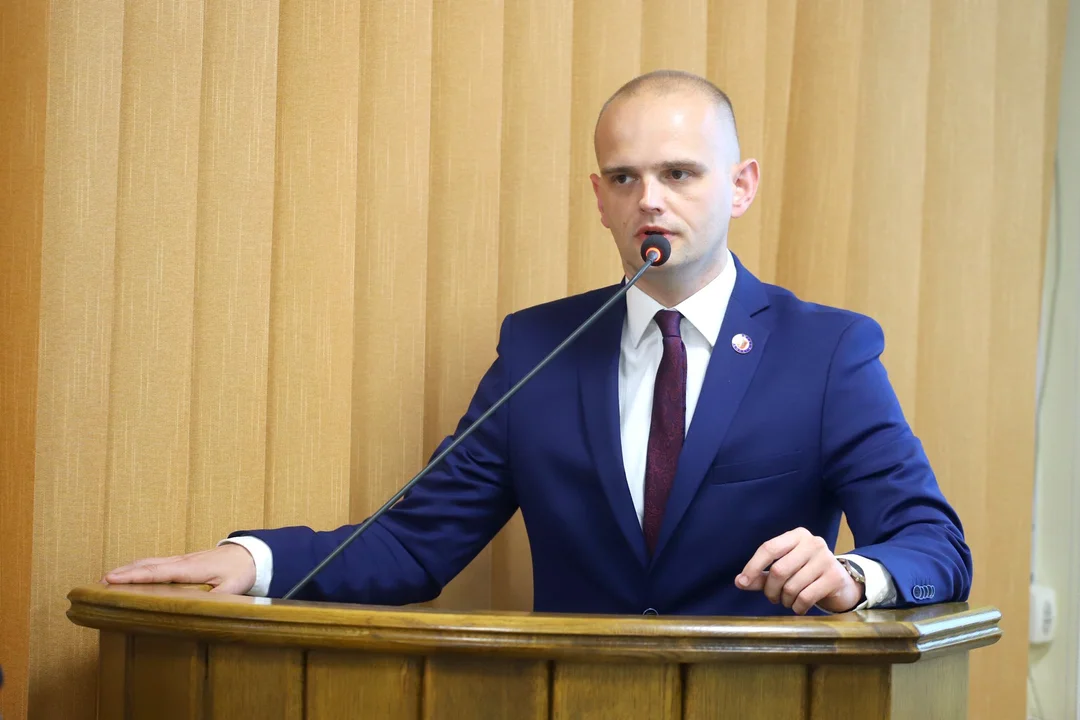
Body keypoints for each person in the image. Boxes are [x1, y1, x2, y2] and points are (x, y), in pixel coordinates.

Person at [105, 70, 971, 616]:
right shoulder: (539, 349)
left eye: (680, 173)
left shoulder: (827, 352)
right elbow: (416, 543)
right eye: (626, 178)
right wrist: (254, 561)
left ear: (740, 186)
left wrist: (856, 576)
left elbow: (933, 544)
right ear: (599, 198)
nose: (651, 201)